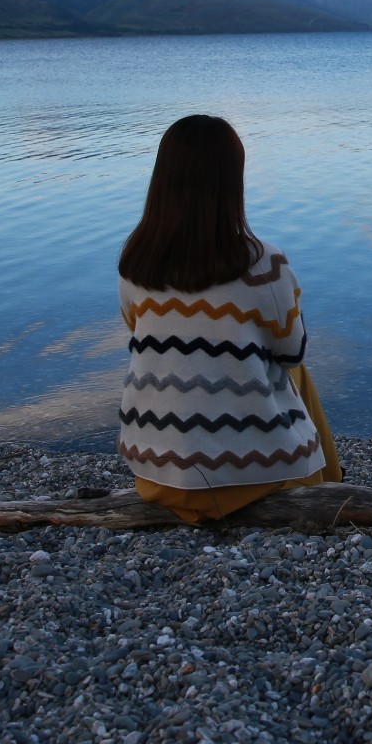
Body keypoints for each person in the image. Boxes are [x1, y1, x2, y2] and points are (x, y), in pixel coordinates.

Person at [115, 114, 341, 522]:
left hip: (156, 474)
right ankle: (331, 484)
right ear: (231, 181)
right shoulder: (264, 265)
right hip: (251, 479)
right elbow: (293, 351)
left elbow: (139, 333)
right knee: (296, 371)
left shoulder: (135, 262)